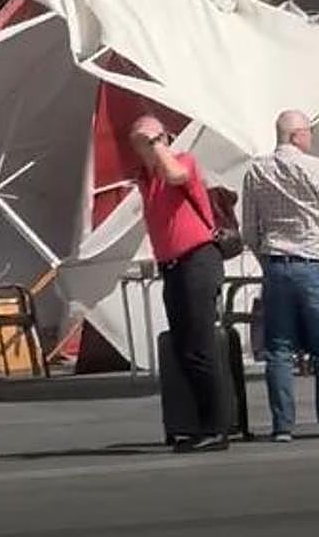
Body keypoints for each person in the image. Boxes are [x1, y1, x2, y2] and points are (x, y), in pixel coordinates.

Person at [241, 109, 319, 442]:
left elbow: (249, 228)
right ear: (295, 135)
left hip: (277, 264)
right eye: (308, 131)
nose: (311, 137)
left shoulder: (256, 170)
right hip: (315, 263)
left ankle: (282, 426)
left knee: (278, 348)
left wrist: (266, 260)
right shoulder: (314, 167)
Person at [128, 114, 229, 453]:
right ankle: (199, 423)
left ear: (165, 141)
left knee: (200, 346)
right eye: (139, 144)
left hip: (198, 260)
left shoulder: (182, 161)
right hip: (172, 267)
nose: (145, 149)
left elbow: (175, 173)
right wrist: (146, 148)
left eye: (151, 141)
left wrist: (157, 144)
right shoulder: (144, 178)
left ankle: (216, 427)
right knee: (183, 347)